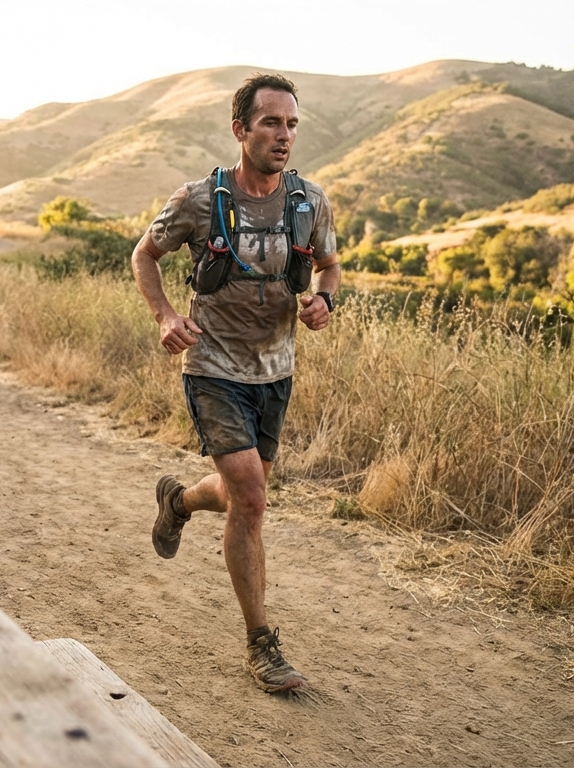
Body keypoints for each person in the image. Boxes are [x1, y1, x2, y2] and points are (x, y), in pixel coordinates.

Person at [130, 73, 340, 694]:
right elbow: (144, 255)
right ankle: (262, 646)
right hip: (214, 368)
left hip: (276, 372)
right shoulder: (200, 200)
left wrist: (327, 303)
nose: (284, 135)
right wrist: (168, 316)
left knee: (233, 495)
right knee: (250, 497)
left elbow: (328, 268)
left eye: (292, 124)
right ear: (240, 130)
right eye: (271, 122)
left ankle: (179, 501)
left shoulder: (309, 202)